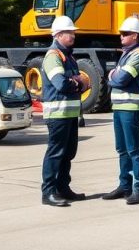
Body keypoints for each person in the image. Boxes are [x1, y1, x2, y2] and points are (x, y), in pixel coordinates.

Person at [40, 15, 89, 207]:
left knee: (68, 152)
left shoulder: (68, 56)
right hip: (58, 114)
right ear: (58, 35)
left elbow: (74, 82)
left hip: (69, 114)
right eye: (70, 32)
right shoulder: (53, 56)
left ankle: (63, 188)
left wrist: (76, 82)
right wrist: (79, 82)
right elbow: (61, 84)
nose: (73, 35)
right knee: (56, 153)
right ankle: (49, 192)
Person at [101, 16, 139, 205]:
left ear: (136, 35)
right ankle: (124, 186)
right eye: (121, 33)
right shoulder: (126, 53)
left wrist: (112, 76)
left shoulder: (138, 55)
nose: (121, 36)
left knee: (133, 149)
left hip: (130, 108)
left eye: (126, 33)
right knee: (121, 149)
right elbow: (116, 77)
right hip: (119, 107)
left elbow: (120, 79)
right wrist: (114, 76)